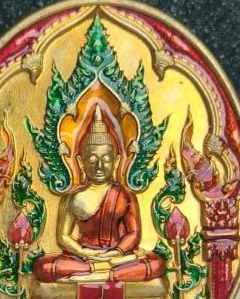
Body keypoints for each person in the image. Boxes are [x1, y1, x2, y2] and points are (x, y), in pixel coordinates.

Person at [34, 104, 164, 284]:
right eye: (93, 159)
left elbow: (134, 233)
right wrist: (83, 252)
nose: (99, 166)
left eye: (106, 159)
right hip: (83, 257)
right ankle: (102, 270)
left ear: (116, 161)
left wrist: (116, 251)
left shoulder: (124, 194)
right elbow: (63, 237)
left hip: (117, 256)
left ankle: (97, 274)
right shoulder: (72, 196)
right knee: (43, 266)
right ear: (81, 162)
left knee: (157, 263)